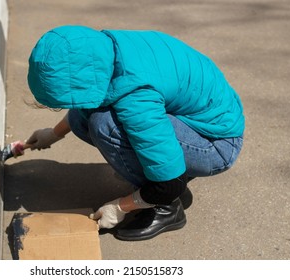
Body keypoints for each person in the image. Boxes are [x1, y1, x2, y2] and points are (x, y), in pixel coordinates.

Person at [25, 25, 245, 241]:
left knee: (105, 124)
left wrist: (121, 206)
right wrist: (53, 134)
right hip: (201, 118)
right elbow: (84, 105)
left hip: (216, 144)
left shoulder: (136, 95)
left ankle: (168, 209)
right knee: (85, 116)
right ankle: (157, 176)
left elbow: (169, 184)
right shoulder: (106, 49)